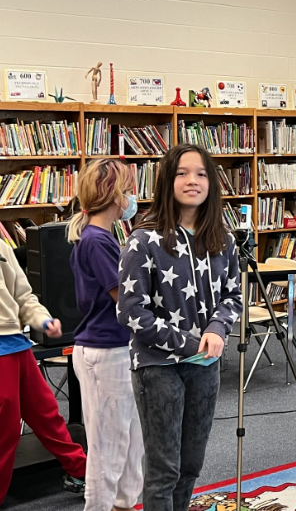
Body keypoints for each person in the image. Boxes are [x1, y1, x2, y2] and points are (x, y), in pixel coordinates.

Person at [117, 144, 242, 511]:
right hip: (158, 368)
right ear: (167, 181)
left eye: (201, 174)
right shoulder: (144, 240)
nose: (193, 181)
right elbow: (131, 310)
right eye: (183, 173)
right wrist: (187, 344)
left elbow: (234, 294)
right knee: (163, 469)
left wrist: (218, 328)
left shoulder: (224, 239)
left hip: (205, 367)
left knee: (191, 465)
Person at [68, 159, 144, 511]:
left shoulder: (106, 237)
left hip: (119, 347)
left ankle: (125, 505)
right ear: (114, 196)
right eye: (127, 190)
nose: (131, 198)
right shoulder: (97, 241)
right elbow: (124, 297)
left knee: (131, 442)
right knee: (107, 449)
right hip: (104, 351)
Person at [0, 241, 86, 505]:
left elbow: (24, 296)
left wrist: (42, 319)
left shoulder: (2, 247)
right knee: (6, 429)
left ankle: (81, 472)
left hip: (16, 344)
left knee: (47, 414)